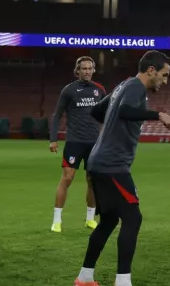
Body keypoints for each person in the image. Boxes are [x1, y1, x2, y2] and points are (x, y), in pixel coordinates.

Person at [73, 50, 170, 286]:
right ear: (151, 71)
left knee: (109, 221)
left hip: (100, 161)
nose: (165, 80)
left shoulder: (123, 86)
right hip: (112, 165)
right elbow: (125, 111)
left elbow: (97, 111)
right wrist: (158, 115)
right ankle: (123, 281)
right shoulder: (135, 88)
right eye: (164, 74)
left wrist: (112, 129)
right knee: (133, 218)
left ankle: (84, 277)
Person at [49, 56, 107, 232]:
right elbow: (57, 115)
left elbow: (106, 115)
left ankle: (90, 219)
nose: (87, 71)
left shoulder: (99, 90)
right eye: (84, 68)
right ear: (77, 70)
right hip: (74, 142)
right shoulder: (69, 90)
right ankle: (57, 220)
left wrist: (105, 137)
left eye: (90, 68)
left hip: (94, 144)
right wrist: (53, 139)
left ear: (93, 70)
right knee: (67, 178)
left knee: (92, 181)